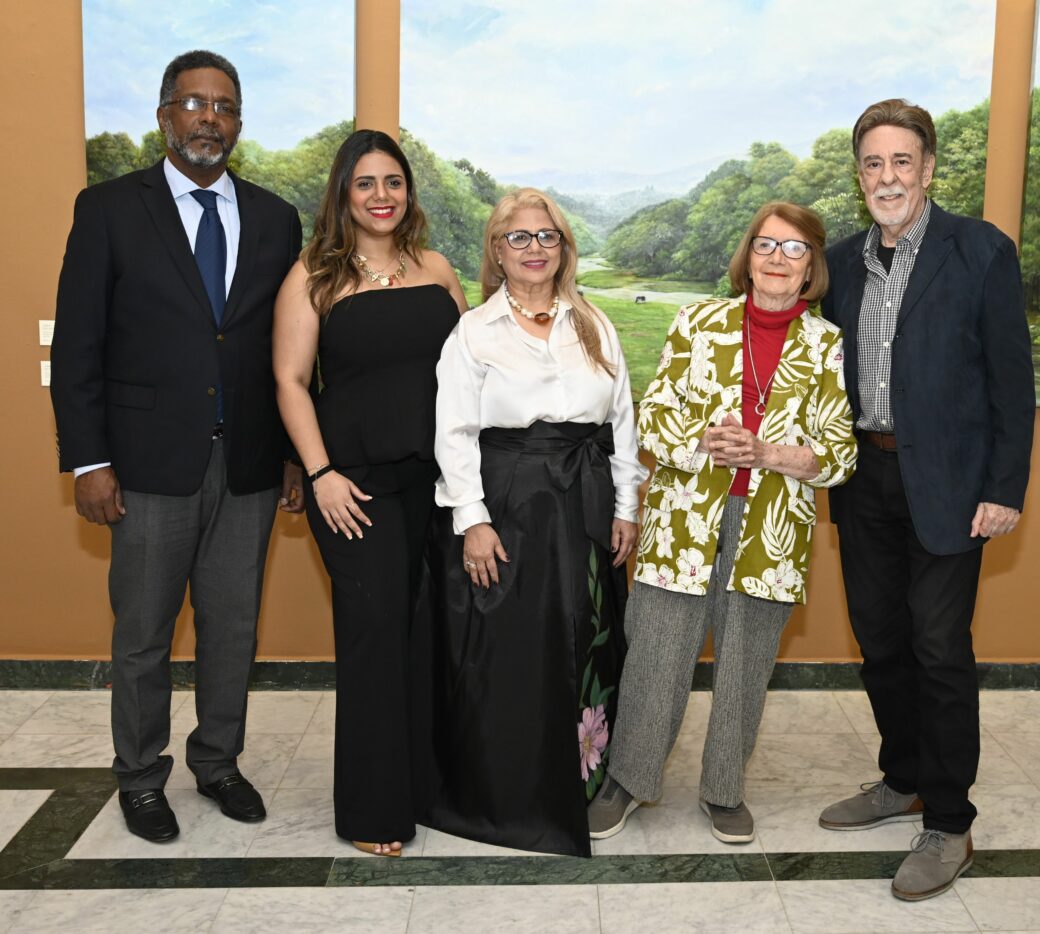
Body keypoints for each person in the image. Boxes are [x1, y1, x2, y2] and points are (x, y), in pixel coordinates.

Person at [50, 50, 303, 842]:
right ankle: (140, 776)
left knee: (232, 630)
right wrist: (90, 461)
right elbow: (79, 344)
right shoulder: (109, 209)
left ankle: (218, 761)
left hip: (249, 465)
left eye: (224, 106)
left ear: (239, 123)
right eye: (194, 103)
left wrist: (294, 452)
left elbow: (291, 348)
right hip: (146, 467)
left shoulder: (275, 219)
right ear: (165, 116)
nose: (209, 118)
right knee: (144, 635)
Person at [816, 99, 1035, 901]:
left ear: (929, 168)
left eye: (901, 161)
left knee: (939, 649)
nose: (887, 178)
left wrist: (1004, 488)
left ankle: (948, 820)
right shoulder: (839, 263)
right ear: (859, 175)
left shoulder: (980, 251)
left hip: (950, 486)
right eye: (873, 163)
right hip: (863, 480)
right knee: (880, 642)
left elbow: (1012, 380)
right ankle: (902, 778)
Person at [587, 202, 858, 845]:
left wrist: (767, 453)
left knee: (745, 663)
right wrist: (704, 443)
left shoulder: (826, 344)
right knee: (656, 652)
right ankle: (627, 779)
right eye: (766, 244)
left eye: (794, 249)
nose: (777, 258)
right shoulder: (697, 322)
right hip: (684, 516)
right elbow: (653, 417)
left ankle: (724, 790)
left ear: (812, 266)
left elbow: (840, 455)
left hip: (771, 529)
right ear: (747, 255)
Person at [424, 187, 647, 857]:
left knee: (583, 635)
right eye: (518, 237)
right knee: (511, 650)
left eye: (547, 236)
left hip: (584, 501)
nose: (534, 248)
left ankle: (585, 783)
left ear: (564, 248)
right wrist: (473, 522)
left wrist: (626, 507)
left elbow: (622, 421)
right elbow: (453, 433)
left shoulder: (595, 323)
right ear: (497, 250)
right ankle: (512, 792)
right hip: (507, 505)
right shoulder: (473, 332)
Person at [273, 130, 467, 857]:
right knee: (374, 637)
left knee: (426, 634)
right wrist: (320, 474)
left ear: (408, 192)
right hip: (353, 488)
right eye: (365, 183)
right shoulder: (312, 276)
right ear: (343, 194)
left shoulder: (437, 269)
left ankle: (424, 788)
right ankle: (371, 811)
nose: (381, 196)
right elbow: (291, 381)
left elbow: (471, 369)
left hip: (435, 483)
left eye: (393, 182)